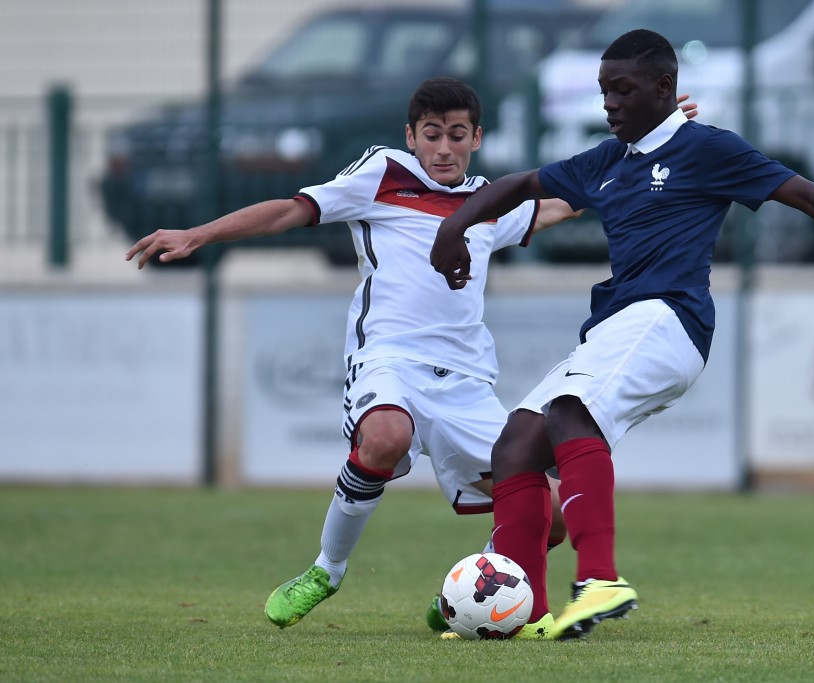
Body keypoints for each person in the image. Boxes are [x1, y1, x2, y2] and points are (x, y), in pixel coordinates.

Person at [125, 76, 701, 638]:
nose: (443, 148)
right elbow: (289, 210)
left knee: (547, 518)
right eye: (431, 134)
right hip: (389, 361)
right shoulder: (381, 175)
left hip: (467, 382)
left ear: (477, 139)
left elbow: (566, 202)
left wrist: (652, 137)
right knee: (384, 437)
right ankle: (326, 571)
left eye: (456, 134)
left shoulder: (489, 203)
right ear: (411, 136)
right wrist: (198, 234)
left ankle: (463, 596)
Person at [430, 29, 814, 641]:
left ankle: (600, 580)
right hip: (616, 325)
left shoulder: (705, 149)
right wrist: (454, 229)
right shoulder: (607, 160)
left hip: (667, 318)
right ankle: (524, 614)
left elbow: (806, 193)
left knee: (570, 412)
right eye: (604, 90)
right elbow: (520, 185)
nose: (609, 103)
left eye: (624, 89)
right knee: (517, 444)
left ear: (665, 88)